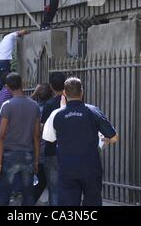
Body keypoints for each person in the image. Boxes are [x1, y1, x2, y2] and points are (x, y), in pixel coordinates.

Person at [42, 77, 119, 206]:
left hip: (67, 169)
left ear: (65, 93)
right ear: (82, 92)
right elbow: (114, 137)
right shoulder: (93, 111)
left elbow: (49, 138)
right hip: (91, 168)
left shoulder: (57, 114)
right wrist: (106, 140)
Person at [0, 73, 40, 206]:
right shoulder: (34, 106)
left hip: (9, 155)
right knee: (28, 194)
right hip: (28, 155)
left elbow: (1, 135)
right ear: (22, 84)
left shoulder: (7, 105)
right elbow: (37, 135)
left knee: (4, 193)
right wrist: (36, 161)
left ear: (7, 87)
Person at [41, 72, 66, 206]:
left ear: (51, 86)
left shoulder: (49, 104)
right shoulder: (73, 101)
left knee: (54, 189)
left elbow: (43, 128)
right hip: (69, 150)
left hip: (52, 150)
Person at [30, 83, 54, 204]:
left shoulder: (33, 109)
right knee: (54, 188)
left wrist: (34, 92)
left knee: (37, 185)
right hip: (50, 150)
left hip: (37, 151)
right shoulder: (54, 108)